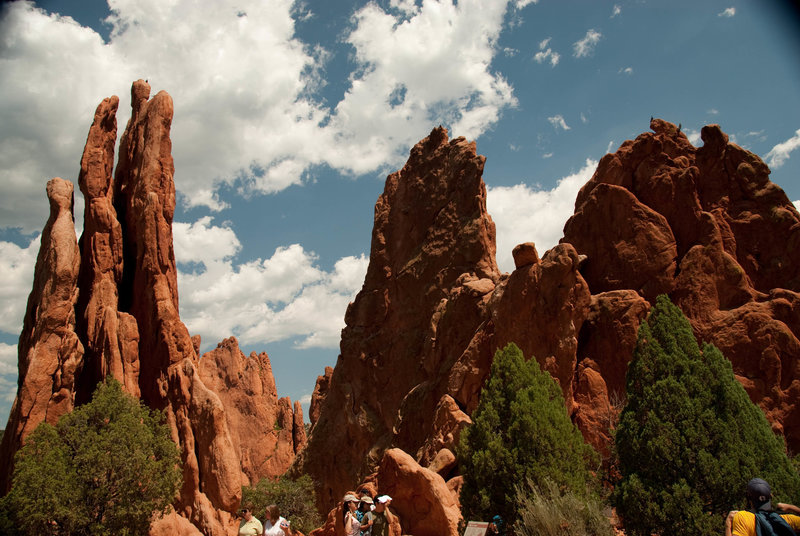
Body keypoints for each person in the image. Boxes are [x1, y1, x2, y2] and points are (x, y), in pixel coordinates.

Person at [726, 478, 800, 536]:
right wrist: (791, 507)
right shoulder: (786, 519)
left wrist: (728, 524)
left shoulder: (742, 517)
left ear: (748, 498)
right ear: (770, 496)